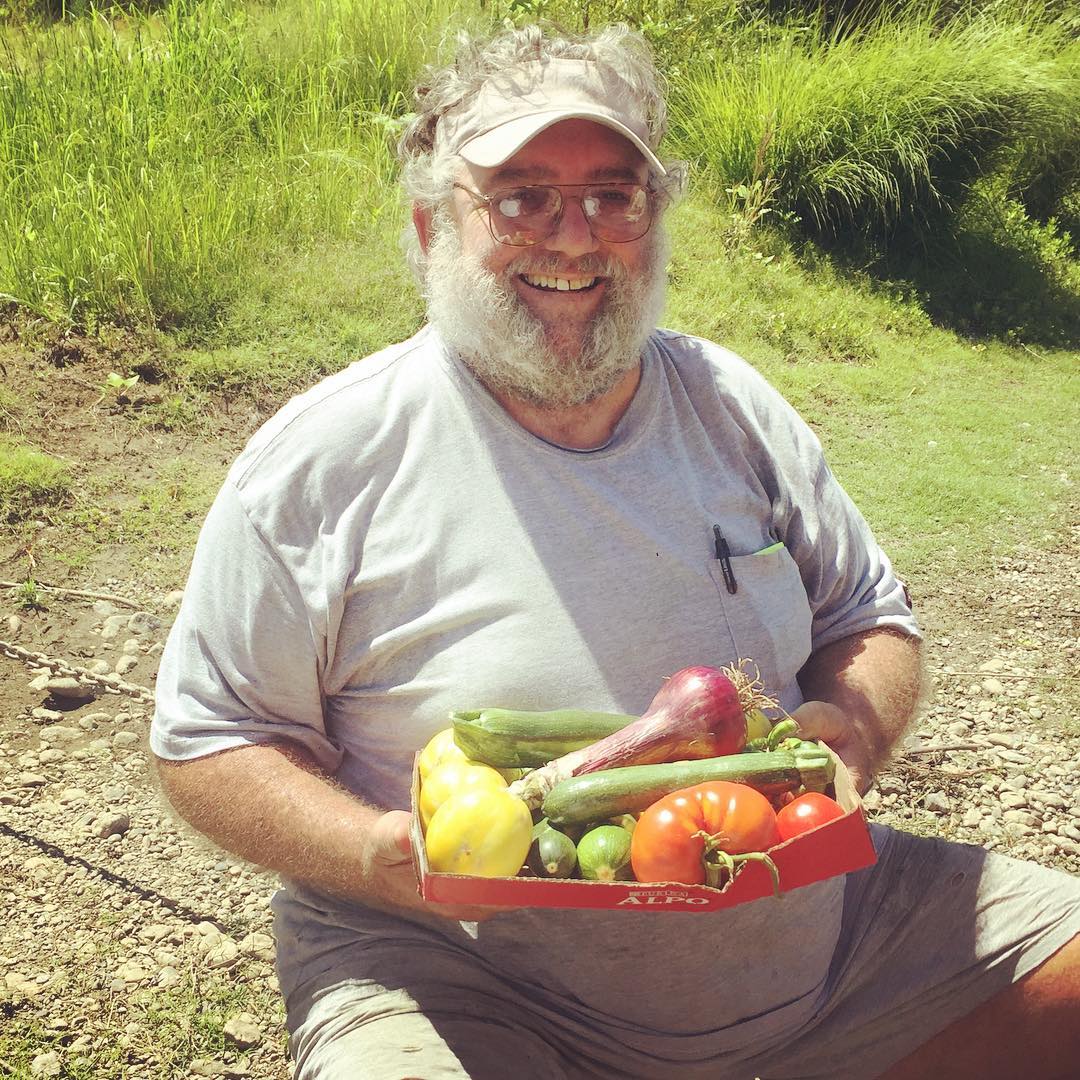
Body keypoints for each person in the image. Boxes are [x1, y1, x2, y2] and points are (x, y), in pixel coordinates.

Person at [151, 22, 1080, 1080]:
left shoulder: (732, 406)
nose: (576, 237)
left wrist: (853, 731)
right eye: (520, 197)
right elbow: (208, 740)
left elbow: (867, 615)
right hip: (463, 981)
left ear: (656, 219)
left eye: (614, 194)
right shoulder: (324, 462)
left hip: (830, 947)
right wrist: (368, 853)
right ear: (428, 228)